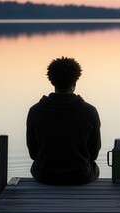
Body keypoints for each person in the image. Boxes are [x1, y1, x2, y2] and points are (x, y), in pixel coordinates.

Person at [26, 57, 101, 185]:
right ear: (75, 82)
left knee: (35, 165)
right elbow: (93, 154)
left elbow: (33, 154)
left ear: (52, 82)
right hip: (80, 176)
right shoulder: (90, 111)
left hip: (45, 175)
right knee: (95, 168)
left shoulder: (35, 111)